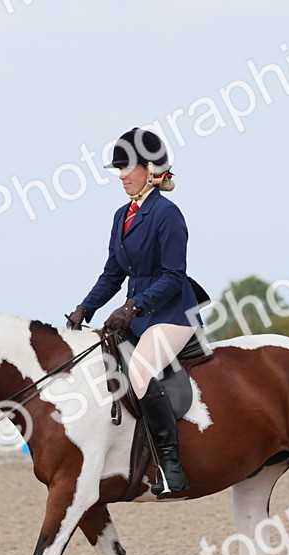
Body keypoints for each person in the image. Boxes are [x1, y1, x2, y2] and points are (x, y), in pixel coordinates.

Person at [65, 127, 203, 498]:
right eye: (119, 169)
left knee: (140, 370)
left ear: (152, 169)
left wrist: (134, 305)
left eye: (129, 168)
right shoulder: (120, 216)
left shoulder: (167, 215)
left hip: (173, 312)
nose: (122, 175)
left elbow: (174, 277)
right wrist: (85, 307)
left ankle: (171, 467)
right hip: (138, 312)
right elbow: (113, 273)